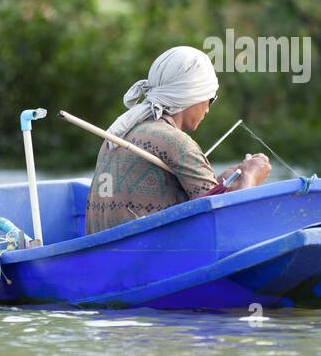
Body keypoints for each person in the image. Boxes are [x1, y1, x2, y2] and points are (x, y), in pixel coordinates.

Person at [84, 46, 271, 234]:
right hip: (147, 257)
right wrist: (250, 176)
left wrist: (224, 181)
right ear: (194, 95)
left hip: (102, 256)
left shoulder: (117, 134)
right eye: (210, 99)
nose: (208, 109)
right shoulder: (177, 143)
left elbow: (202, 198)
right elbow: (230, 222)